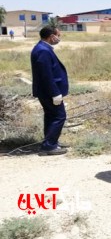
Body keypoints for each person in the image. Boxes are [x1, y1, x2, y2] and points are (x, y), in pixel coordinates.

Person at [31, 26, 69, 155]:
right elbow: (46, 75)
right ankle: (49, 146)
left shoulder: (43, 48)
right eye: (58, 35)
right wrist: (55, 93)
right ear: (51, 36)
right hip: (49, 91)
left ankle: (50, 141)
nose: (59, 38)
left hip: (46, 91)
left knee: (51, 116)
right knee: (59, 116)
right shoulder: (43, 51)